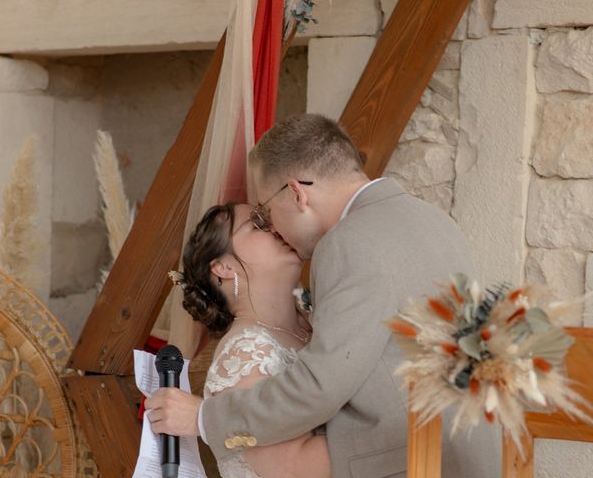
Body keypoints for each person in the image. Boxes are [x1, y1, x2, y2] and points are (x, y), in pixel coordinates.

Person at [146, 114, 499, 478]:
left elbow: (321, 387)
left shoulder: (348, 243)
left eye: (266, 212)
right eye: (259, 223)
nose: (275, 229)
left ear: (296, 193)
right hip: (472, 458)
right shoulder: (435, 220)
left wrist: (203, 418)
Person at [152, 202, 331, 477]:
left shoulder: (316, 320)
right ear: (223, 266)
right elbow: (293, 469)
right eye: (258, 224)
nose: (277, 227)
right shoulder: (246, 353)